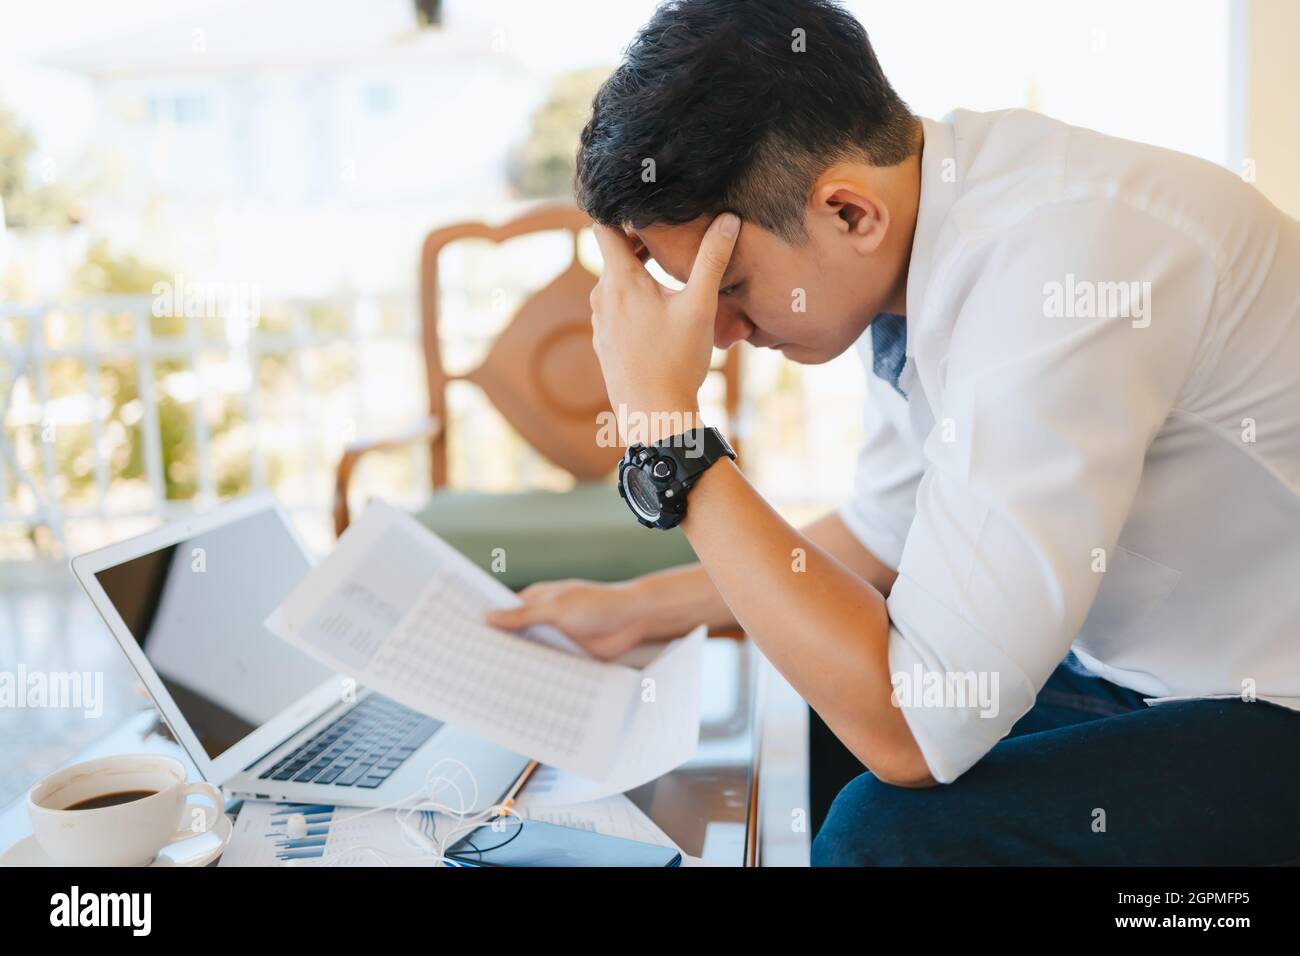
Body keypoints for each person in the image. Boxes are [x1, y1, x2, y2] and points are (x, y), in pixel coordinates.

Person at [488, 0, 1300, 865]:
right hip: (1137, 674)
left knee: (884, 836)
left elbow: (914, 732)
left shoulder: (1060, 267)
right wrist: (627, 611)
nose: (716, 336)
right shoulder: (919, 240)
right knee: (798, 708)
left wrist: (669, 437)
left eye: (727, 288)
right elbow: (881, 537)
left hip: (1267, 704)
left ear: (848, 212)